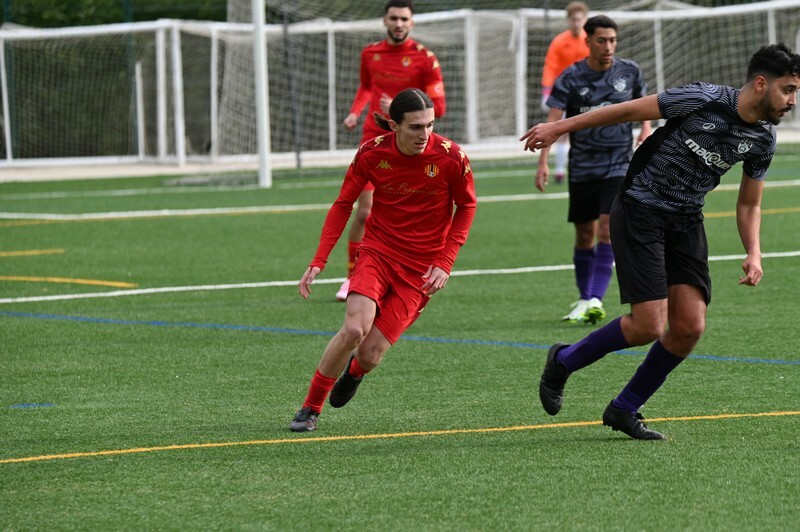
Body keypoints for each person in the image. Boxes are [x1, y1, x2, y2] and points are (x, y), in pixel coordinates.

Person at [521, 43, 799, 440]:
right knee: (649, 324)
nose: (792, 101)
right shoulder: (701, 98)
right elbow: (626, 110)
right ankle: (563, 360)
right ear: (760, 84)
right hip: (640, 209)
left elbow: (749, 204)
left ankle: (624, 408)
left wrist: (754, 252)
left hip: (686, 220)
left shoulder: (763, 139)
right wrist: (559, 127)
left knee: (689, 327)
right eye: (788, 90)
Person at [290, 88, 476, 432]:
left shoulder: (452, 157)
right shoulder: (372, 153)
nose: (425, 134)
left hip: (421, 269)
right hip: (378, 252)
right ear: (394, 126)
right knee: (354, 330)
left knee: (370, 353)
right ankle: (310, 408)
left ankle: (355, 372)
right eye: (415, 127)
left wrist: (445, 262)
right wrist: (319, 259)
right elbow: (342, 204)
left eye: (430, 125)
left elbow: (466, 206)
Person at [536, 15, 651, 324]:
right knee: (584, 234)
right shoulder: (571, 77)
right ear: (587, 41)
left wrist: (645, 129)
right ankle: (585, 298)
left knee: (606, 229)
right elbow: (552, 123)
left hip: (618, 164)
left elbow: (645, 104)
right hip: (583, 167)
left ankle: (596, 298)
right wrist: (543, 162)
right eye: (601, 40)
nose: (608, 46)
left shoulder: (629, 71)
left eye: (612, 40)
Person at [337, 0, 447, 302]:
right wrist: (355, 112)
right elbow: (366, 87)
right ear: (385, 21)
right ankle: (352, 277)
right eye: (394, 18)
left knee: (405, 215)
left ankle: (398, 275)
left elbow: (439, 107)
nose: (399, 24)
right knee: (365, 212)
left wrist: (398, 105)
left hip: (411, 148)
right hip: (375, 141)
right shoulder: (370, 54)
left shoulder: (425, 58)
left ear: (412, 23)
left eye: (404, 19)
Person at [540, 1, 590, 184]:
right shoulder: (559, 42)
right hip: (564, 93)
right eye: (573, 20)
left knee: (588, 131)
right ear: (568, 21)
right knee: (561, 131)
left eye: (579, 19)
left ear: (585, 20)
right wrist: (546, 90)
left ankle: (586, 167)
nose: (576, 23)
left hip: (587, 94)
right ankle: (560, 169)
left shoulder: (590, 41)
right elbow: (550, 66)